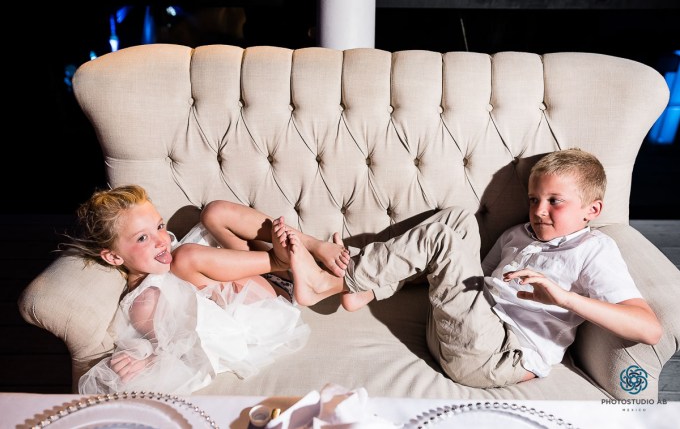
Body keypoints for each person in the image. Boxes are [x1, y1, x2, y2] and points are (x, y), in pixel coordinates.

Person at [280, 148, 663, 388]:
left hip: (495, 355)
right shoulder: (518, 234)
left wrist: (563, 298)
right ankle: (367, 285)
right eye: (534, 199)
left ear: (591, 210)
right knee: (457, 219)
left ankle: (330, 283)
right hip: (458, 330)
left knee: (443, 239)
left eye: (554, 201)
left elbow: (648, 329)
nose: (539, 210)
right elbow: (466, 279)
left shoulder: (593, 250)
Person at [60, 184, 350, 394]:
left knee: (215, 211)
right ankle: (294, 265)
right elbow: (183, 349)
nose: (161, 240)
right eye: (142, 238)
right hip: (267, 305)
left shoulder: (163, 254)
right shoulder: (146, 301)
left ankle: (318, 254)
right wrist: (149, 359)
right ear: (114, 258)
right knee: (184, 258)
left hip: (263, 273)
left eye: (159, 226)